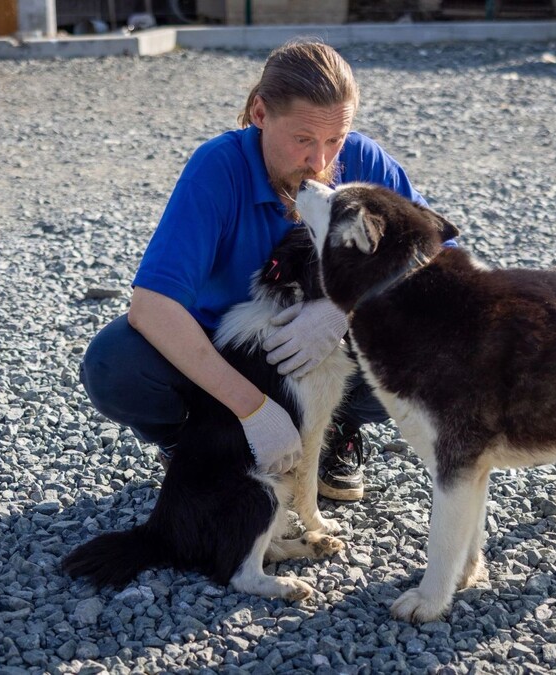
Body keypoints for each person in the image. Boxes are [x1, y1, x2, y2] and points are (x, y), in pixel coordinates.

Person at [80, 39, 430, 502]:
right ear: (260, 114)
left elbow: (432, 255)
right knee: (112, 363)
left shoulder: (364, 160)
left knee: (426, 341)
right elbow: (152, 306)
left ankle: (335, 433)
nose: (321, 162)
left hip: (324, 358)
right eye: (303, 139)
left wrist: (340, 310)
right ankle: (192, 445)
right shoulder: (219, 167)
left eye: (334, 139)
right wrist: (254, 410)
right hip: (225, 351)